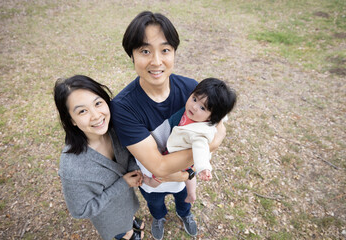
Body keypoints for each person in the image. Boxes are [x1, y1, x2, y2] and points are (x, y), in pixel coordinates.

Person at [110, 11, 226, 240]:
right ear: (131, 55)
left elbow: (218, 124)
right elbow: (160, 166)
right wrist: (211, 147)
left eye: (165, 50)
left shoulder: (192, 89)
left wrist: (188, 173)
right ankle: (159, 218)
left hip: (184, 174)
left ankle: (185, 215)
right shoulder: (123, 108)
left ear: (173, 52)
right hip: (152, 181)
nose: (156, 61)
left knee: (184, 198)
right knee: (155, 205)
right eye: (144, 51)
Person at [53, 75, 144, 240]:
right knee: (124, 232)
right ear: (71, 120)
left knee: (129, 218)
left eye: (98, 103)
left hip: (127, 203)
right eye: (82, 111)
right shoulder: (72, 168)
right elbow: (80, 210)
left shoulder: (115, 129)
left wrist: (133, 169)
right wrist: (123, 184)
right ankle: (127, 234)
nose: (96, 116)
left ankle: (130, 222)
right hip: (110, 218)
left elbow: (129, 153)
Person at [145, 78, 237, 204]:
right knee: (190, 175)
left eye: (202, 108)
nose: (194, 107)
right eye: (194, 99)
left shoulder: (200, 132)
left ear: (212, 116)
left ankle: (151, 183)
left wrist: (204, 167)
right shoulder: (193, 114)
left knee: (160, 173)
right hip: (188, 159)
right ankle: (191, 193)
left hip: (178, 157)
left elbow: (200, 148)